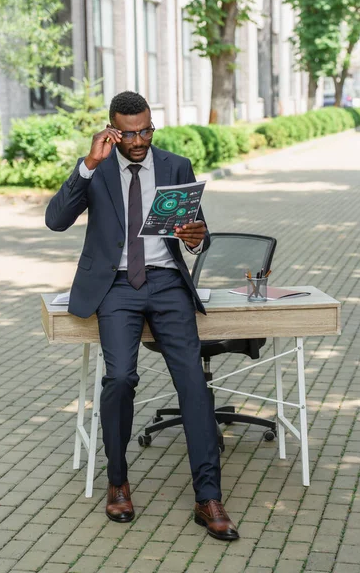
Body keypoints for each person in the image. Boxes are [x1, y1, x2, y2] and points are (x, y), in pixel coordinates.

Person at [45, 91, 239, 541]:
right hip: (114, 286)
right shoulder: (97, 167)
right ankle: (117, 481)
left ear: (153, 125)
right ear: (112, 129)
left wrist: (195, 236)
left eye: (145, 130)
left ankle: (208, 497)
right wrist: (88, 165)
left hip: (168, 283)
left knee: (193, 381)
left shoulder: (175, 165)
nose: (138, 140)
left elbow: (198, 236)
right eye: (129, 133)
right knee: (120, 379)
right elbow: (55, 220)